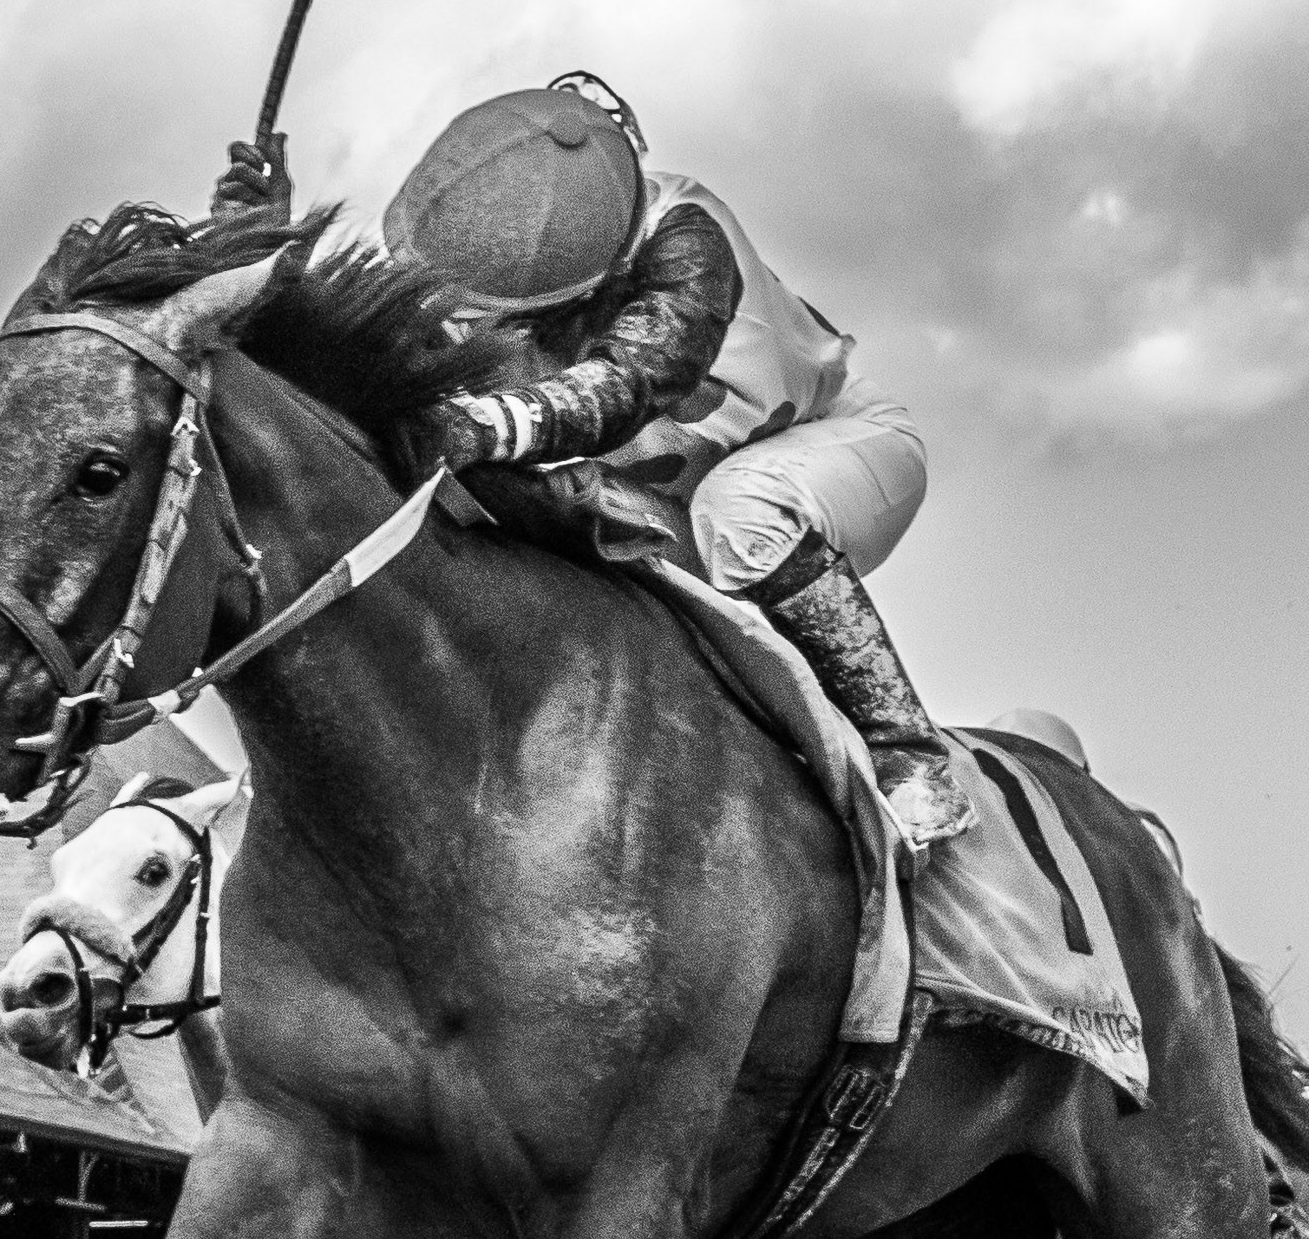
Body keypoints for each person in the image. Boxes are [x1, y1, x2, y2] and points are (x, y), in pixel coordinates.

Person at [216, 74, 971, 850]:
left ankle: (909, 755)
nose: (460, 325)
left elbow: (631, 381)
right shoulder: (485, 250)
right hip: (670, 496)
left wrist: (487, 422)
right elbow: (365, 371)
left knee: (740, 508)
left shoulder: (687, 239)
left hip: (835, 442)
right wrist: (259, 268)